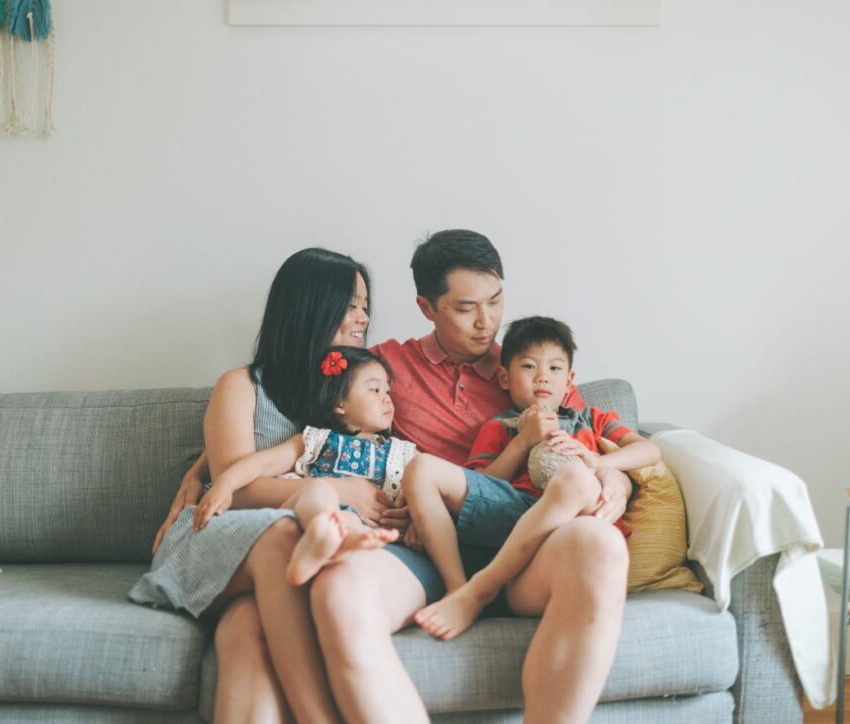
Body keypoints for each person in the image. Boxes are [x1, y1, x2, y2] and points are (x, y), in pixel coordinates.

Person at [306, 229, 635, 724]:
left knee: (602, 545)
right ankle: (459, 589)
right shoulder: (389, 365)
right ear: (426, 307)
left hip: (530, 549)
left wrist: (617, 481)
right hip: (425, 549)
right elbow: (304, 409)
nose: (487, 323)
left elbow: (590, 443)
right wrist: (211, 466)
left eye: (496, 300)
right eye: (465, 308)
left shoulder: (528, 366)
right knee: (339, 591)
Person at [131, 247, 381, 724]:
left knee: (245, 628)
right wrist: (338, 490)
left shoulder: (360, 389)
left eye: (365, 306)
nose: (363, 318)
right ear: (308, 306)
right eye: (350, 305)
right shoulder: (242, 385)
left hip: (291, 551)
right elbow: (236, 491)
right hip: (221, 530)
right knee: (282, 536)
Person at [403, 315, 661, 640]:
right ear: (504, 377)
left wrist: (599, 463)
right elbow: (482, 482)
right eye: (528, 366)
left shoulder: (591, 419)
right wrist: (523, 440)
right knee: (422, 468)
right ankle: (458, 589)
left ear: (570, 381)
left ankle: (483, 588)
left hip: (574, 524)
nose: (542, 377)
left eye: (554, 368)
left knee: (576, 479)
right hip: (517, 512)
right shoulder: (499, 425)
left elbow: (649, 450)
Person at [190, 346, 410, 585]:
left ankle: (343, 542)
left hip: (365, 527)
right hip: (308, 519)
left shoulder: (401, 452)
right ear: (339, 403)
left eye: (387, 391)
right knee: (318, 490)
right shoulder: (317, 440)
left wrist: (411, 511)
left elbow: (426, 481)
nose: (387, 399)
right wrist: (225, 483)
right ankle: (320, 536)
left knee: (349, 521)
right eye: (375, 390)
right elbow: (262, 463)